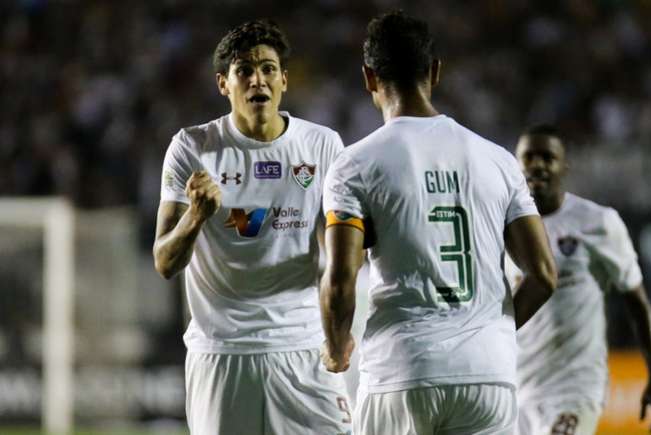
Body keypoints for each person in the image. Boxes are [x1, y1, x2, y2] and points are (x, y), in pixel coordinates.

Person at [319, 11, 557, 435]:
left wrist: (337, 347)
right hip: (489, 376)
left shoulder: (354, 165)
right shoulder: (499, 161)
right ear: (435, 72)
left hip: (404, 370)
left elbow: (340, 279)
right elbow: (543, 275)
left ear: (369, 78)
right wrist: (491, 332)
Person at [152, 19, 351, 435]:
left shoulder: (322, 145)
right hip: (223, 352)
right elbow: (165, 261)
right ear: (224, 83)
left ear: (283, 80)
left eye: (267, 68)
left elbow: (342, 250)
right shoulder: (192, 147)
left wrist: (337, 333)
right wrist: (195, 215)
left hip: (302, 348)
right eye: (244, 70)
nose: (256, 78)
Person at [510, 125, 651, 435]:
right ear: (516, 163)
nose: (538, 165)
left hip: (574, 389)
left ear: (564, 165)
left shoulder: (598, 223)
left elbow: (637, 303)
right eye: (529, 157)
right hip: (516, 388)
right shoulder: (502, 227)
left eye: (548, 157)